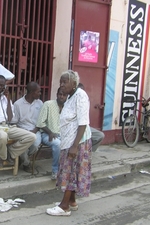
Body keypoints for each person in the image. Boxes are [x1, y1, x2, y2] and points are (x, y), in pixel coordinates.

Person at [46, 70, 92, 216]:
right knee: (70, 170)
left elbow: (83, 122)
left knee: (71, 172)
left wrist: (74, 146)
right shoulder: (70, 97)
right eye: (61, 82)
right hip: (68, 141)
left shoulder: (80, 95)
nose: (62, 85)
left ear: (74, 83)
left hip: (77, 142)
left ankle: (64, 206)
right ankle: (72, 201)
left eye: (65, 82)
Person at [0, 75, 36, 168]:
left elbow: (10, 118)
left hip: (6, 127)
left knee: (32, 136)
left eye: (2, 85)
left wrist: (8, 98)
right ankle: (3, 157)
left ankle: (10, 153)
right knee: (2, 136)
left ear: (5, 86)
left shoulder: (5, 99)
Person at [11, 82, 43, 173]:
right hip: (22, 129)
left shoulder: (40, 103)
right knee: (24, 144)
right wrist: (22, 131)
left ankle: (22, 158)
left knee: (35, 144)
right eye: (38, 92)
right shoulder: (18, 104)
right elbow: (15, 121)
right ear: (32, 92)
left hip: (35, 129)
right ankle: (26, 163)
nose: (40, 94)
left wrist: (35, 130)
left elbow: (41, 120)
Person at [36, 87, 67, 179]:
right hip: (46, 134)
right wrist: (50, 132)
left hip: (62, 134)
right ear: (56, 95)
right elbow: (40, 123)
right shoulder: (48, 104)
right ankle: (55, 171)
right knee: (57, 144)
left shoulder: (68, 107)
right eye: (60, 94)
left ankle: (67, 170)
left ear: (67, 96)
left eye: (64, 95)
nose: (61, 97)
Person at [78, 83, 105, 152]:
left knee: (100, 135)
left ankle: (88, 152)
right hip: (73, 128)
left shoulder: (85, 101)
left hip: (85, 127)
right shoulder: (70, 102)